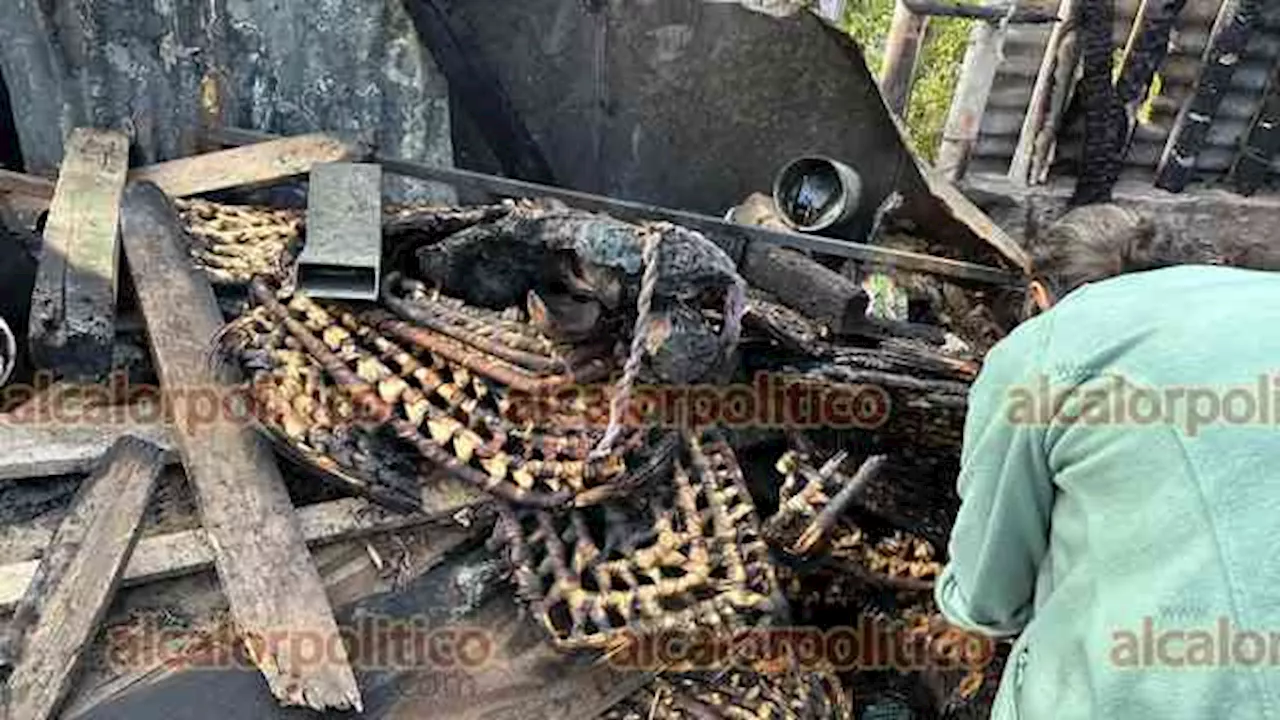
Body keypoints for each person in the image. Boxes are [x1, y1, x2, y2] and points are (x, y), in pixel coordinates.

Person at [936, 203, 1280, 719]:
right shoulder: (1261, 293)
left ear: (1039, 297)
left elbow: (991, 595)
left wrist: (953, 593)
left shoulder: (1048, 348)